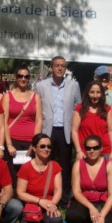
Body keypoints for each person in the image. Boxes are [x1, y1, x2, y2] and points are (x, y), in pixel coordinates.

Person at [35, 56, 81, 207]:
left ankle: (65, 199)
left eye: (62, 66)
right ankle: (46, 194)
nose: (60, 68)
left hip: (65, 131)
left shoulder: (73, 85)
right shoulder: (41, 85)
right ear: (51, 67)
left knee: (65, 167)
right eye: (57, 65)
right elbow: (36, 108)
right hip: (47, 130)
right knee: (45, 163)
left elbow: (78, 107)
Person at [65, 135, 112, 223]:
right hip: (84, 201)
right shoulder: (78, 164)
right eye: (88, 148)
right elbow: (76, 191)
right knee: (73, 215)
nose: (92, 151)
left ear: (101, 148)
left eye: (95, 147)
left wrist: (102, 216)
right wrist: (91, 207)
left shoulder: (109, 165)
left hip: (104, 202)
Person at [17, 134, 62, 223]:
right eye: (42, 146)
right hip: (32, 207)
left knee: (55, 220)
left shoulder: (55, 166)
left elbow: (58, 190)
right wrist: (39, 201)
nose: (46, 149)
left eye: (49, 146)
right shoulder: (25, 168)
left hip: (49, 206)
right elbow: (20, 193)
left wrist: (52, 204)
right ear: (33, 148)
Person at [3, 66, 42, 188]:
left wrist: (34, 143)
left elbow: (39, 120)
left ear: (29, 78)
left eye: (26, 76)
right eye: (20, 76)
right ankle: (14, 200)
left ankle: (28, 198)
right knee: (12, 172)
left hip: (30, 141)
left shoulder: (35, 96)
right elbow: (4, 121)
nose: (23, 79)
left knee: (29, 172)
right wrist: (8, 144)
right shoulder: (7, 96)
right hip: (13, 141)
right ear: (15, 77)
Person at [72, 80, 112, 161]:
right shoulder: (79, 109)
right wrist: (78, 150)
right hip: (85, 152)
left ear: (102, 94)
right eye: (92, 92)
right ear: (87, 93)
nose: (95, 95)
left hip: (104, 152)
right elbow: (74, 131)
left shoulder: (107, 109)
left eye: (98, 92)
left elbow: (111, 131)